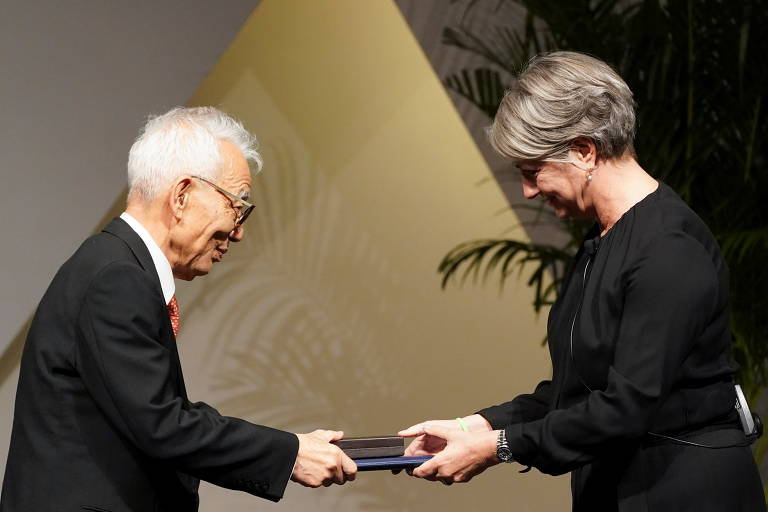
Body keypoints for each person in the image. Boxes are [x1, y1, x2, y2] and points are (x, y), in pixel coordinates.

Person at [398, 52, 764, 510]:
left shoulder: (669, 248)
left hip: (682, 491)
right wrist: (478, 426)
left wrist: (499, 447)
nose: (529, 191)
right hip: (622, 486)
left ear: (584, 150)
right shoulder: (604, 240)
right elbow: (575, 390)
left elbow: (623, 409)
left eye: (533, 172)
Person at [0, 107, 356, 512]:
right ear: (182, 195)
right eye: (238, 205)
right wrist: (290, 453)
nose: (238, 232)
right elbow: (162, 424)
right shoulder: (116, 277)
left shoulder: (113, 265)